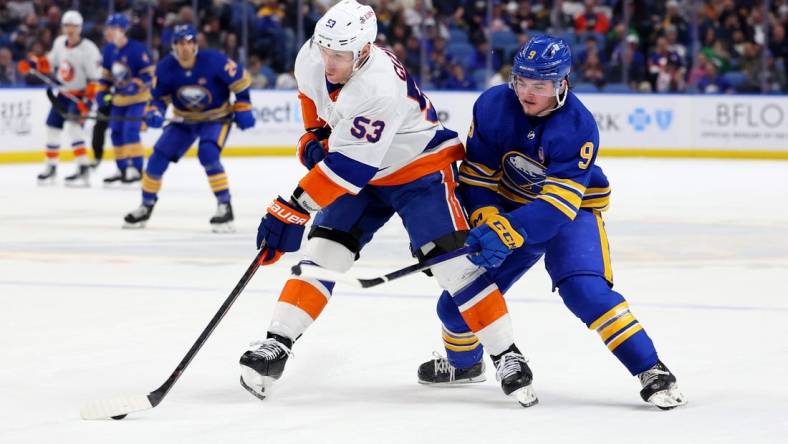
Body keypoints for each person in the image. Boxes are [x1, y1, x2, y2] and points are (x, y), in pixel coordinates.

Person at [238, 0, 537, 408]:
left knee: (454, 265)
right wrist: (314, 131)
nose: (329, 60)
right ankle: (277, 343)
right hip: (365, 167)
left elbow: (347, 169)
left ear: (363, 51)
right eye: (325, 49)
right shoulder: (313, 53)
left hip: (419, 167)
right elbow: (311, 94)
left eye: (339, 54)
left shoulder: (378, 86)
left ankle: (506, 355)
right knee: (322, 254)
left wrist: (292, 207)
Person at [416, 35, 687, 410]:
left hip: (570, 215)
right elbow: (476, 179)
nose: (526, 92)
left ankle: (650, 369)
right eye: (521, 81)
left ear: (561, 84)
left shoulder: (578, 126)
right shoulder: (494, 105)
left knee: (585, 291)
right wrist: (489, 218)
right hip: (511, 209)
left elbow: (557, 207)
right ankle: (465, 365)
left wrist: (508, 231)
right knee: (456, 305)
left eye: (538, 85)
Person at [122, 24, 255, 232]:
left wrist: (244, 107)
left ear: (195, 44)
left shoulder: (215, 60)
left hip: (216, 118)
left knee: (208, 153)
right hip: (184, 120)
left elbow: (240, 83)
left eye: (189, 42)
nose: (185, 48)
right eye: (180, 43)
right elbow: (157, 99)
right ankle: (145, 205)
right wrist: (154, 112)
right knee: (157, 158)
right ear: (174, 46)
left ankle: (224, 206)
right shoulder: (165, 68)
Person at [18, 10, 100, 186]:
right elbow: (50, 62)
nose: (69, 29)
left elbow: (94, 79)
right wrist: (33, 64)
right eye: (66, 25)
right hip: (62, 94)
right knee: (51, 128)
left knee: (73, 129)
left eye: (73, 26)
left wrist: (87, 101)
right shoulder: (59, 43)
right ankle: (51, 166)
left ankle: (83, 166)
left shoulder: (89, 49)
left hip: (79, 95)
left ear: (80, 28)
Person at [96, 13, 154, 185]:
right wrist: (101, 93)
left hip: (138, 99)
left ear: (123, 30)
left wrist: (136, 85)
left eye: (112, 28)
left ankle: (136, 168)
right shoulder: (108, 50)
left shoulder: (138, 49)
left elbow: (150, 76)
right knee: (116, 132)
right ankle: (121, 168)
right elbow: (106, 77)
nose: (108, 32)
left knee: (130, 130)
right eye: (108, 28)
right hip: (119, 100)